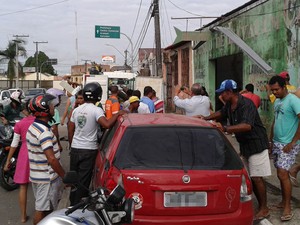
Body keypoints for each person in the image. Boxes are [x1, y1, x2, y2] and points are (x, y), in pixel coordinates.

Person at [200, 79, 271, 220]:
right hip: (245, 144)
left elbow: (247, 126)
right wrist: (206, 118)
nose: (221, 96)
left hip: (257, 144)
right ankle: (258, 204)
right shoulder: (229, 104)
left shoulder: (247, 105)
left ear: (229, 92)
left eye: (222, 93)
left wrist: (225, 128)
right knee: (250, 177)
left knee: (257, 177)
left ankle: (264, 208)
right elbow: (221, 113)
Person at [68, 82, 125, 205]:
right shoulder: (96, 110)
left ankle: (71, 203)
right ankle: (77, 206)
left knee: (74, 179)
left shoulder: (76, 110)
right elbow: (107, 124)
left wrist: (71, 145)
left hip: (75, 149)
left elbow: (70, 129)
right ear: (98, 95)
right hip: (88, 150)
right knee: (84, 181)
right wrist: (117, 114)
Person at [26, 93, 65, 225]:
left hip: (37, 175)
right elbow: (52, 160)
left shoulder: (33, 127)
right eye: (51, 106)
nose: (54, 108)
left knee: (45, 209)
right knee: (42, 210)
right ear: (44, 111)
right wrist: (64, 176)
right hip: (46, 179)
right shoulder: (44, 133)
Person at [268, 75, 300, 221]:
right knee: (282, 174)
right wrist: (270, 141)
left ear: (284, 87)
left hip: (289, 145)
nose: (274, 92)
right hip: (277, 143)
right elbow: (275, 121)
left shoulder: (293, 100)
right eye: (272, 90)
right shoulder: (278, 101)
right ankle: (283, 201)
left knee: (282, 173)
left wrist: (293, 142)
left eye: (276, 90)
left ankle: (288, 206)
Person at [3, 101, 35, 223]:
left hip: (24, 154)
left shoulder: (20, 124)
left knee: (23, 187)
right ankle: (41, 213)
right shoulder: (40, 121)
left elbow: (14, 144)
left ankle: (22, 216)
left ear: (26, 110)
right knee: (40, 185)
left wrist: (7, 163)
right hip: (38, 153)